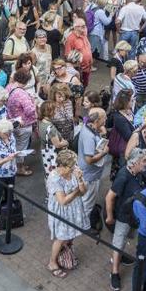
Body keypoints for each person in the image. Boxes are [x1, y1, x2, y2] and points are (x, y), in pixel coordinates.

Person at [105, 148, 146, 291]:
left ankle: (121, 256)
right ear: (134, 163)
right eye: (143, 161)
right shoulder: (123, 176)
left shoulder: (138, 173)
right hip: (123, 216)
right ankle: (114, 273)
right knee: (118, 242)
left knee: (126, 239)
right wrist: (110, 217)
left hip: (133, 215)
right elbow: (109, 197)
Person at [46, 150, 88, 278]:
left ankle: (65, 251)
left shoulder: (74, 170)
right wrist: (76, 191)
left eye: (74, 166)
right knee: (61, 238)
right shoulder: (54, 178)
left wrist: (80, 180)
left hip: (74, 209)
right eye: (70, 167)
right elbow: (63, 201)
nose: (73, 169)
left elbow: (83, 192)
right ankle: (52, 263)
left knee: (70, 235)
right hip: (61, 212)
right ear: (61, 166)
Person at [77, 107, 110, 228]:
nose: (106, 119)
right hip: (90, 176)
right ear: (97, 120)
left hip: (91, 174)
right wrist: (104, 152)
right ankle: (84, 225)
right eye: (104, 117)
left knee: (87, 199)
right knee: (87, 203)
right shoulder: (89, 136)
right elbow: (89, 160)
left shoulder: (89, 127)